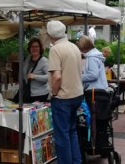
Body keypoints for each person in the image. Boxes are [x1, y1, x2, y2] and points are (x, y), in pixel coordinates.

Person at [47, 20, 83, 164]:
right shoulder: (73, 46)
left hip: (63, 97)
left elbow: (57, 76)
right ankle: (76, 161)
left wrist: (54, 93)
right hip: (77, 94)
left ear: (50, 35)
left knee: (62, 135)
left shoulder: (55, 49)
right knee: (72, 132)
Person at [23, 37, 49, 102]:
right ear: (29, 48)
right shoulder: (28, 58)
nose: (34, 49)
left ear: (40, 48)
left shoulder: (44, 61)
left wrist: (35, 77)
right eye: (32, 47)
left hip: (40, 95)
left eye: (36, 46)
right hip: (28, 93)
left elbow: (49, 77)